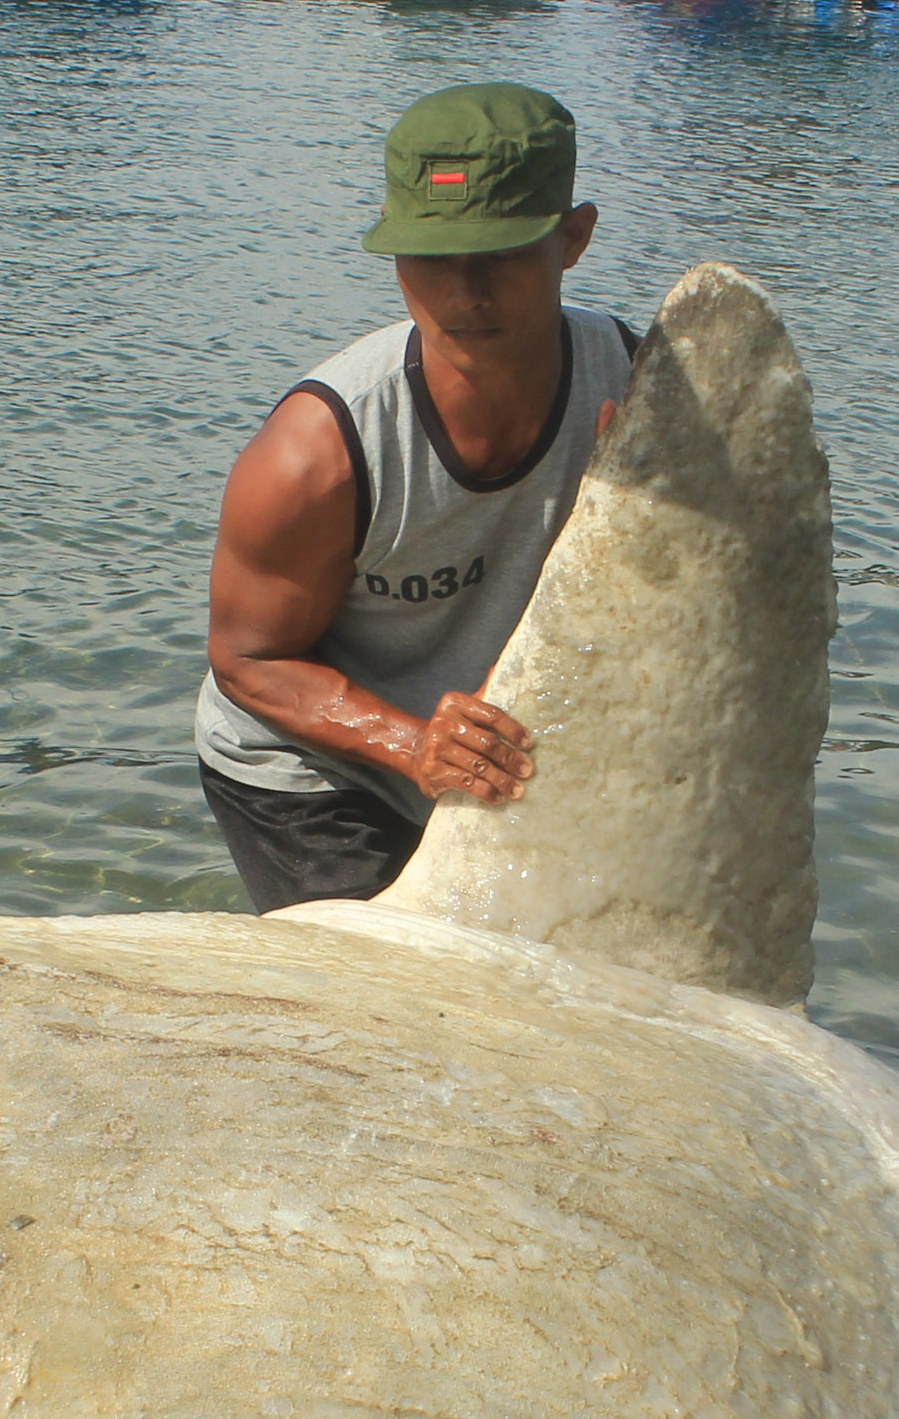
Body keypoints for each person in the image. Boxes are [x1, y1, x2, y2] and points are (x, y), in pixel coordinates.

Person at [195, 84, 641, 912]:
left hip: (490, 759)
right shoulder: (316, 454)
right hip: (308, 765)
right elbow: (247, 660)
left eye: (502, 254)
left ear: (572, 238)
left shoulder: (638, 389)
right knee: (372, 1007)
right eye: (432, 257)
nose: (464, 292)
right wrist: (408, 744)